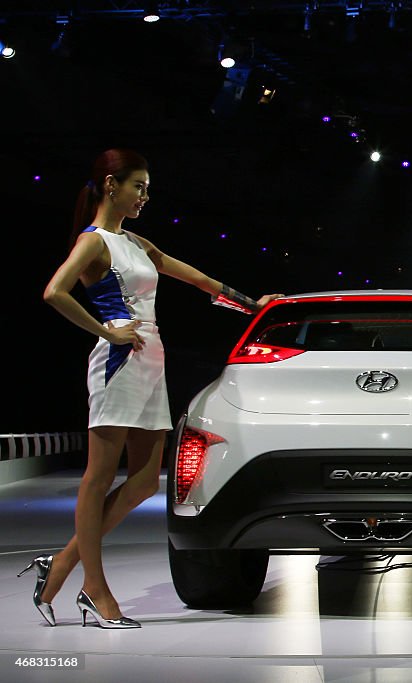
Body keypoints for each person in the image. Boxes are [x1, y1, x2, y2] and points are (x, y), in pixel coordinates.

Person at [21, 149, 282, 629]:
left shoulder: (136, 243)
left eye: (147, 188)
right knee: (98, 478)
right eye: (138, 186)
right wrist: (106, 332)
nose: (145, 196)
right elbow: (54, 291)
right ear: (109, 185)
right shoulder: (94, 242)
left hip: (150, 359)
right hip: (119, 360)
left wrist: (253, 306)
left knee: (143, 482)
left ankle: (60, 564)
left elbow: (198, 279)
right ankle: (94, 590)